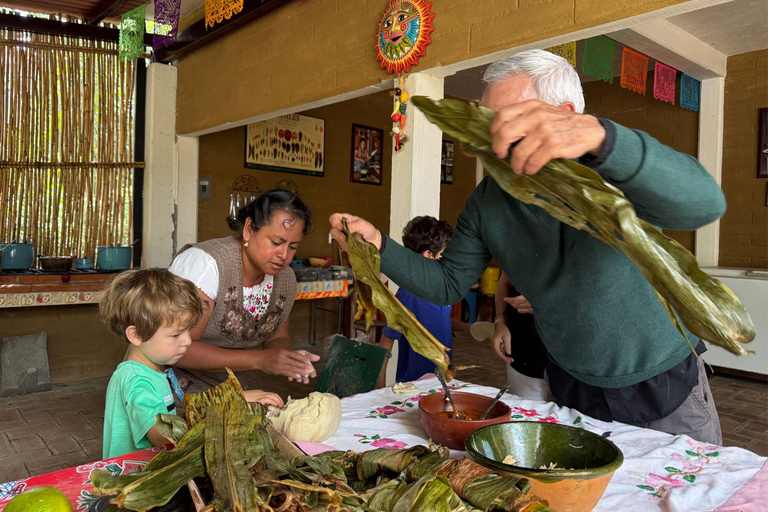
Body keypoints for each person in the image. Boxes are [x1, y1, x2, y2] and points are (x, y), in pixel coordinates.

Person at [331, 50, 726, 444]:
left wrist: (602, 138)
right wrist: (379, 243)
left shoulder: (612, 167)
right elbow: (448, 283)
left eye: (511, 122)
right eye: (488, 126)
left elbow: (704, 202)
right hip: (570, 385)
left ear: (565, 116)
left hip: (662, 381)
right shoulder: (489, 200)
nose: (494, 142)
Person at [100, 268, 283, 458]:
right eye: (176, 334)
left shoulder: (153, 369)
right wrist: (230, 401)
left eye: (188, 330)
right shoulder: (136, 380)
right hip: (133, 480)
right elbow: (161, 433)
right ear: (136, 335)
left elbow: (187, 408)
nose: (187, 341)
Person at [169, 189, 319, 399]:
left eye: (293, 246)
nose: (284, 255)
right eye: (275, 242)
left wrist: (288, 359)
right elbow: (177, 349)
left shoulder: (284, 279)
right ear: (248, 229)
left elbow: (277, 337)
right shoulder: (207, 265)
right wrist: (260, 360)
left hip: (229, 393)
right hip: (169, 393)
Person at [377, 216, 468, 387]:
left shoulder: (441, 289)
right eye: (446, 253)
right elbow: (386, 340)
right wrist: (379, 388)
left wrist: (471, 328)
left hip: (441, 380)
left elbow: (439, 321)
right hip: (415, 386)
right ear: (429, 255)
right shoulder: (409, 294)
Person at [492, 272, 549, 401]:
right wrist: (500, 320)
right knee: (525, 410)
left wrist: (549, 305)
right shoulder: (517, 252)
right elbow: (505, 282)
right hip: (525, 348)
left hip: (573, 358)